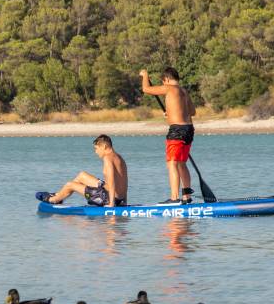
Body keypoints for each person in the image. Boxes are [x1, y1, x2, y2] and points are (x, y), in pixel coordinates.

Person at [140, 67, 196, 204]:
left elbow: (146, 89)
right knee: (182, 163)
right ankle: (187, 197)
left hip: (177, 131)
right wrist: (171, 112)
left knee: (172, 163)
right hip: (189, 129)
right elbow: (192, 112)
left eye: (163, 82)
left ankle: (174, 198)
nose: (163, 85)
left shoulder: (169, 88)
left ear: (167, 79)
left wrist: (145, 75)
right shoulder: (184, 91)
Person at [36, 134, 128, 207]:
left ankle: (53, 200)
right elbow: (124, 182)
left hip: (108, 198)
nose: (95, 152)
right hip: (119, 198)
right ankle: (60, 195)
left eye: (96, 148)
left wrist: (111, 204)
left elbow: (112, 183)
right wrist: (123, 202)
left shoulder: (107, 159)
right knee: (82, 175)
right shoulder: (119, 158)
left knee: (70, 185)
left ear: (104, 146)